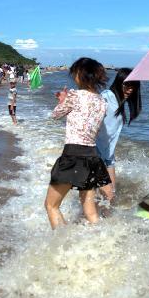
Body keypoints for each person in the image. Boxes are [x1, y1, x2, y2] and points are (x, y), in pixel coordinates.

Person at [43, 58, 111, 229]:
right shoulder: (103, 102)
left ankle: (62, 245)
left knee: (51, 205)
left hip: (73, 154)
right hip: (92, 157)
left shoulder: (74, 95)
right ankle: (99, 241)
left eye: (74, 73)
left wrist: (62, 100)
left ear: (80, 74)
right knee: (90, 211)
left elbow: (55, 115)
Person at [96, 68, 142, 201]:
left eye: (134, 87)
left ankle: (102, 221)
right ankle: (88, 221)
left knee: (109, 198)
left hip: (108, 157)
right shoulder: (106, 97)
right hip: (96, 155)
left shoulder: (119, 102)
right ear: (118, 83)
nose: (130, 90)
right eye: (127, 86)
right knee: (105, 197)